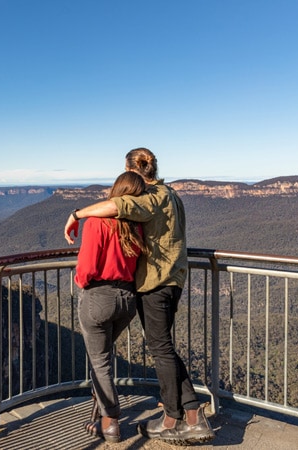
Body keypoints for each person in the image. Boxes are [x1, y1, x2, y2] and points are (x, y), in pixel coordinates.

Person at [65, 148, 215, 445]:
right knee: (163, 347)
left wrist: (76, 214)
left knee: (158, 350)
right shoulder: (171, 193)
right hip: (167, 281)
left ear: (130, 170)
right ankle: (193, 412)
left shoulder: (151, 198)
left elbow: (117, 205)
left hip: (155, 283)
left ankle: (172, 419)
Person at [75, 171, 146, 443]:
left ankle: (111, 422)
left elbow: (88, 266)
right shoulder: (136, 225)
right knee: (103, 356)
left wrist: (81, 282)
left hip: (99, 297)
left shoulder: (96, 223)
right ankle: (101, 410)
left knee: (100, 361)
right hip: (127, 299)